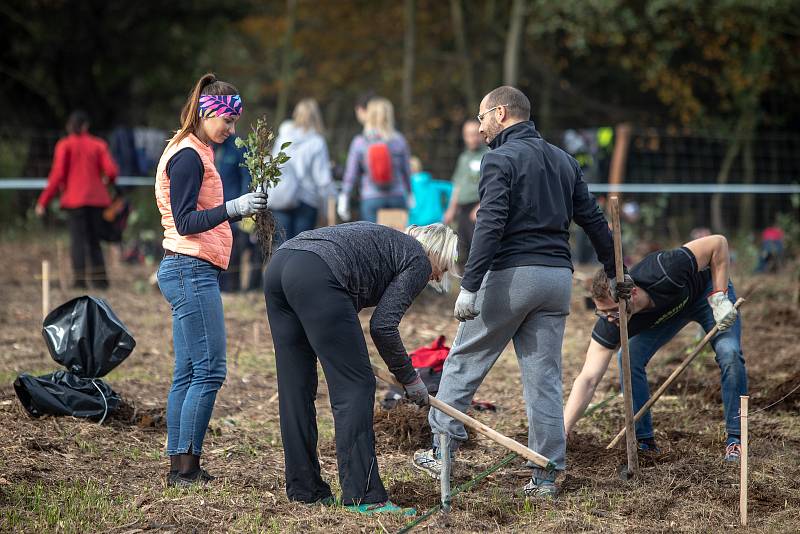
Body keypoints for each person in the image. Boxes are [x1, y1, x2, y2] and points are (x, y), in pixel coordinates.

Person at [412, 86, 628, 498]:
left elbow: (491, 225)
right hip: (556, 281)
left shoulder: (499, 159)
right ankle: (545, 474)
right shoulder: (565, 160)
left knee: (464, 360)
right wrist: (616, 271)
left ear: (500, 113)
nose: (478, 127)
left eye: (481, 117)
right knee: (544, 379)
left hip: (512, 277)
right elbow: (595, 221)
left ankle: (442, 450)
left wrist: (470, 286)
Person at [264, 222, 458, 515]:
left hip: (281, 264)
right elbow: (383, 326)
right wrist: (410, 377)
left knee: (296, 386)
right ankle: (364, 495)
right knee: (356, 386)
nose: (439, 275)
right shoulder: (418, 258)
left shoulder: (387, 243)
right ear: (436, 252)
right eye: (444, 265)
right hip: (317, 273)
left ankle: (305, 489)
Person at [155, 73, 267, 487]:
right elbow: (185, 222)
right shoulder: (188, 157)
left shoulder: (196, 150)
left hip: (189, 268)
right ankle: (187, 468)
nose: (232, 130)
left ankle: (180, 466)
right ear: (207, 113)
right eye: (228, 121)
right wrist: (233, 208)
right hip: (190, 269)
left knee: (187, 371)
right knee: (210, 370)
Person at [564, 235, 748, 461]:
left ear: (631, 293)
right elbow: (588, 378)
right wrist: (563, 429)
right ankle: (645, 442)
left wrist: (719, 296)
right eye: (602, 312)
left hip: (705, 294)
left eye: (613, 310)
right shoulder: (612, 323)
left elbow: (718, 243)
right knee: (628, 357)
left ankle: (736, 439)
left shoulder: (665, 268)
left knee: (729, 352)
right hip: (671, 312)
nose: (610, 318)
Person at [36, 110, 119, 289]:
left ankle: (80, 281)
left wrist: (43, 201)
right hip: (97, 200)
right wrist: (107, 181)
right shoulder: (98, 144)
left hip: (74, 201)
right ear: (86, 126)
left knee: (78, 241)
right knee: (94, 241)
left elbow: (57, 175)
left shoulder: (64, 145)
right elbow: (112, 171)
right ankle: (100, 281)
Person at [338, 98, 412, 223]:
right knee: (397, 241)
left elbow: (351, 174)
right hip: (397, 196)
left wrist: (344, 195)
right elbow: (406, 171)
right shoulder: (399, 140)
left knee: (373, 241)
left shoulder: (360, 141)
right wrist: (410, 193)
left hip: (371, 197)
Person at [270, 98, 333, 243]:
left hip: (282, 198)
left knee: (282, 248)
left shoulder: (283, 137)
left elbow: (274, 165)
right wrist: (325, 210)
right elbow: (322, 180)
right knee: (302, 249)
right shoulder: (317, 142)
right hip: (307, 201)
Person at [443, 119, 488, 266]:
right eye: (468, 135)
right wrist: (451, 209)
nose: (472, 138)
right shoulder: (464, 157)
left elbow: (493, 184)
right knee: (461, 248)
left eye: (475, 134)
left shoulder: (488, 155)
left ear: (481, 134)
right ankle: (463, 285)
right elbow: (458, 185)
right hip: (463, 209)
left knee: (477, 249)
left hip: (477, 208)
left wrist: (482, 205)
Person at [215, 134, 252, 292]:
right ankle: (217, 288)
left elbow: (246, 178)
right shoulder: (206, 145)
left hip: (233, 211)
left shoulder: (238, 147)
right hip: (210, 212)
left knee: (233, 253)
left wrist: (243, 210)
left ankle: (231, 289)